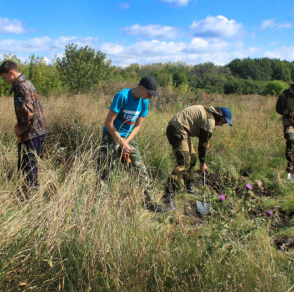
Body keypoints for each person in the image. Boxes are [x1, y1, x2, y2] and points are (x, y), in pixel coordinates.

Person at [97, 76, 165, 212]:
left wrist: (125, 143)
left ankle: (150, 202)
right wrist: (120, 142)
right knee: (106, 170)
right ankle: (101, 205)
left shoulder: (144, 101)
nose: (150, 97)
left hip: (128, 138)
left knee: (140, 168)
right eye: (149, 93)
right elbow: (108, 123)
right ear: (141, 88)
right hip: (111, 136)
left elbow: (137, 127)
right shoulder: (122, 96)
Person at [162, 105, 233, 210]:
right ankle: (168, 196)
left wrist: (205, 143)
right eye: (223, 122)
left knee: (193, 158)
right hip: (177, 130)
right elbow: (202, 144)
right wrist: (203, 163)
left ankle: (189, 187)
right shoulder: (210, 120)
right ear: (220, 116)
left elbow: (204, 139)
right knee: (183, 164)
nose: (222, 125)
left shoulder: (209, 115)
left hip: (183, 131)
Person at [0, 61, 47, 196]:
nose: (6, 81)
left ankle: (30, 200)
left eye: (5, 77)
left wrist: (21, 129)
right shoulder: (28, 83)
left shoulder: (20, 87)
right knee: (29, 166)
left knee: (29, 168)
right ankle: (28, 195)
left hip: (31, 133)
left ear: (11, 73)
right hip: (37, 131)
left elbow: (28, 113)